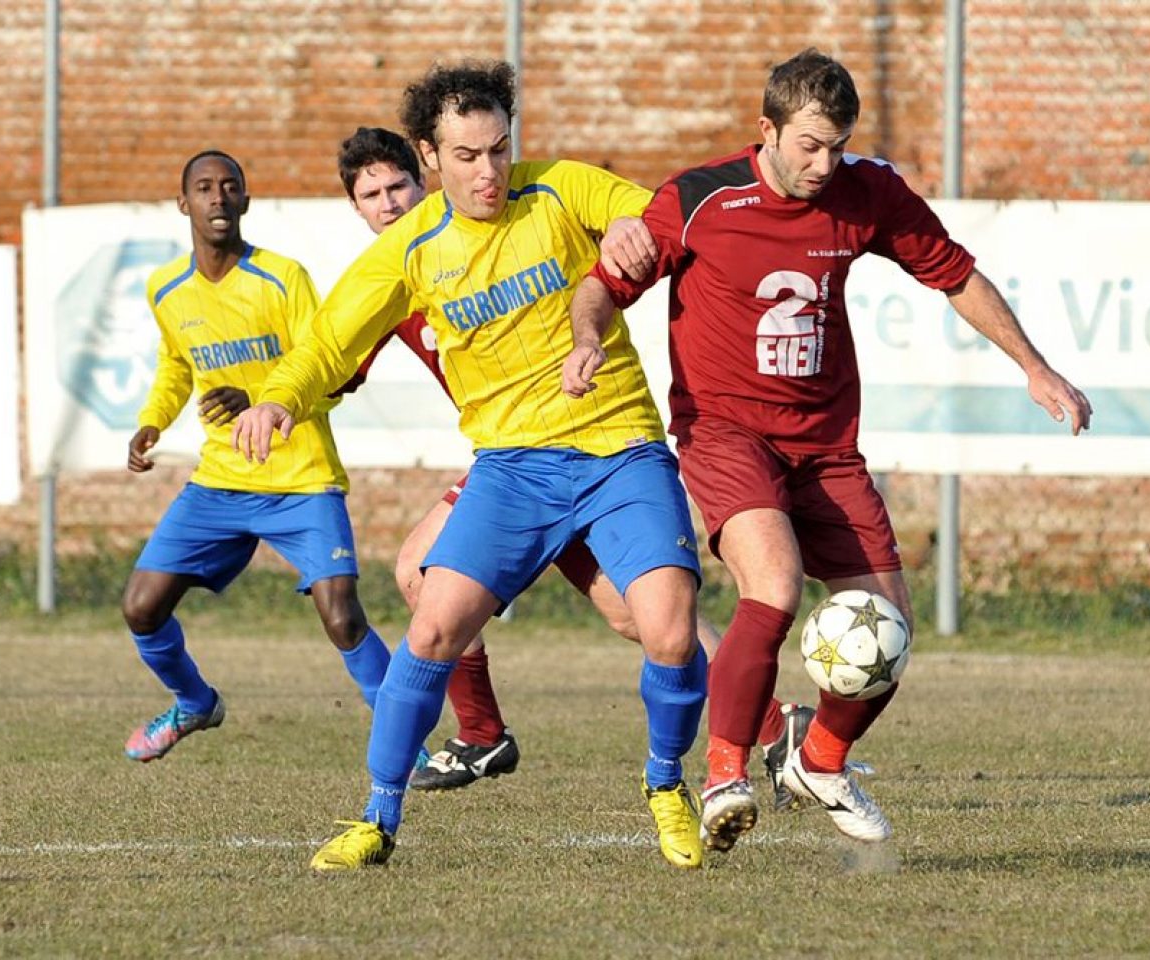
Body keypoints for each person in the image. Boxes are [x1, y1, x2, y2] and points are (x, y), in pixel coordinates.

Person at [567, 49, 1093, 853]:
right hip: (725, 432)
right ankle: (727, 771)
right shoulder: (700, 198)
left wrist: (1034, 366)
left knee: (891, 629)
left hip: (826, 446)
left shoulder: (867, 190)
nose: (823, 164)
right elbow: (604, 283)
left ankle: (820, 759)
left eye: (837, 145)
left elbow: (955, 276)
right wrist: (587, 340)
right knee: (772, 587)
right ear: (767, 130)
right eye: (808, 144)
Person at [233, 63, 708, 871]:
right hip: (512, 470)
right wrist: (280, 398)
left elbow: (662, 211)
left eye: (498, 150)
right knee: (431, 625)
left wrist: (641, 231)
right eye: (465, 156)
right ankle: (377, 820)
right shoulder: (410, 250)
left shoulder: (557, 191)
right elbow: (328, 339)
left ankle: (666, 785)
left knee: (665, 631)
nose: (487, 172)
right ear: (430, 156)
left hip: (618, 446)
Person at [334, 126, 813, 798]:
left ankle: (485, 734)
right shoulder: (404, 273)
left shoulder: (511, 220)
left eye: (397, 188)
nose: (389, 203)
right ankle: (770, 725)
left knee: (429, 570)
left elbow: (636, 214)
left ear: (425, 176)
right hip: (518, 463)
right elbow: (331, 360)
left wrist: (621, 225)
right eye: (371, 196)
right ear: (357, 210)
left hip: (582, 446)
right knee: (625, 616)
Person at [121, 150, 396, 768]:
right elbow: (176, 364)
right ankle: (193, 703)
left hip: (301, 477)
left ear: (245, 201)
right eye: (204, 188)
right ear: (183, 203)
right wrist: (151, 421)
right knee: (140, 605)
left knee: (343, 617)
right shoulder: (165, 287)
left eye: (230, 187)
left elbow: (332, 370)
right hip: (220, 482)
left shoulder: (282, 278)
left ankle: (410, 742)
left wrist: (262, 398)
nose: (217, 197)